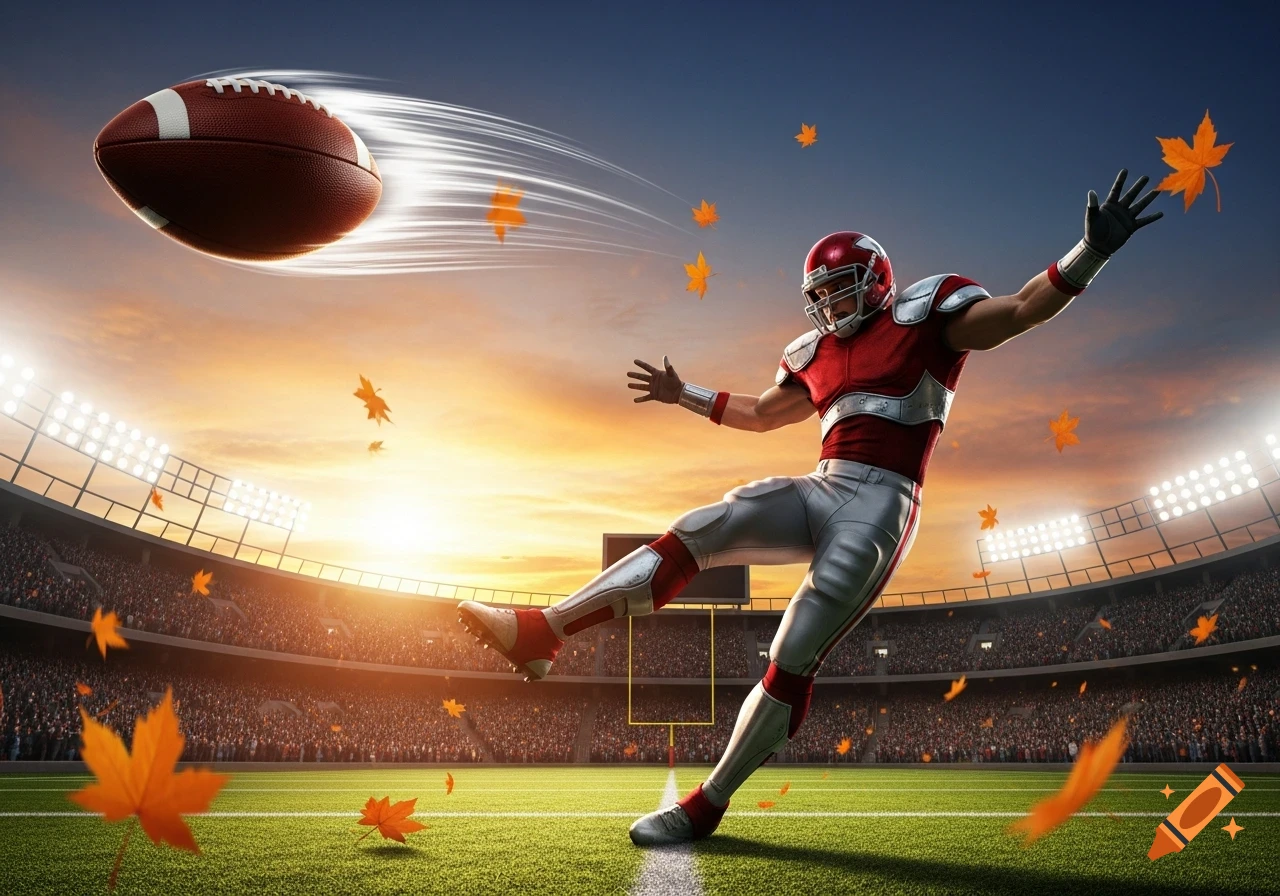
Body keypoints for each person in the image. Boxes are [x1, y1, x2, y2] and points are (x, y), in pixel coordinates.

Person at [459, 170, 1162, 845]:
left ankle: (707, 804)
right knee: (707, 524)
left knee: (794, 648)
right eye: (820, 293)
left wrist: (1091, 251)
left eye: (841, 287)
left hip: (883, 504)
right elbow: (764, 415)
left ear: (877, 280)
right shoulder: (814, 352)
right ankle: (544, 632)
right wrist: (688, 394)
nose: (830, 304)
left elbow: (1018, 310)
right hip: (822, 484)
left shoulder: (927, 314)